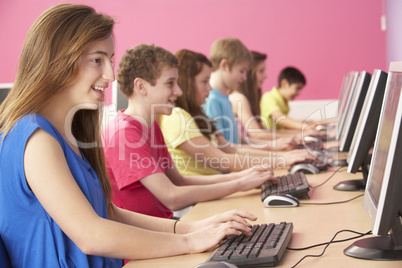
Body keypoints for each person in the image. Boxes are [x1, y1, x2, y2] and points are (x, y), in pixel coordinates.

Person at [0, 4, 264, 267]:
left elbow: (109, 213)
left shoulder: (72, 133)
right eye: (97, 60)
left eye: (110, 61)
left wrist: (194, 229)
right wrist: (191, 241)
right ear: (57, 59)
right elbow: (90, 235)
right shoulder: (36, 139)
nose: (110, 75)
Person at [102, 44, 278, 221]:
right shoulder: (124, 133)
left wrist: (243, 176)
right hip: (144, 236)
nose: (178, 91)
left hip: (164, 224)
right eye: (170, 83)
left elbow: (179, 181)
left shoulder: (150, 126)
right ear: (141, 86)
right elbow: (172, 197)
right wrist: (240, 184)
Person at [159, 49, 316, 176]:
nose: (209, 87)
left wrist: (279, 156)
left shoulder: (197, 113)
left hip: (216, 188)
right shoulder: (177, 117)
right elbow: (222, 159)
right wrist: (279, 159)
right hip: (200, 203)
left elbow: (230, 148)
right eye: (204, 81)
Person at [229, 52, 320, 142]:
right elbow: (257, 134)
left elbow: (265, 131)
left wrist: (300, 134)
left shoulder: (248, 100)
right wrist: (301, 131)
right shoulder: (239, 99)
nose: (265, 76)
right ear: (249, 74)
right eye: (261, 71)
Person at [260, 66, 320, 131]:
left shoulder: (284, 101)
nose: (299, 93)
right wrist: (305, 126)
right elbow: (281, 119)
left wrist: (303, 123)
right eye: (298, 88)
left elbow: (284, 125)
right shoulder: (269, 97)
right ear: (285, 84)